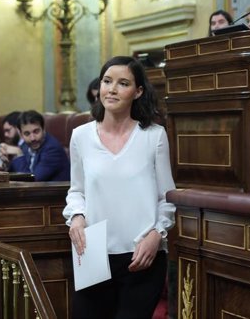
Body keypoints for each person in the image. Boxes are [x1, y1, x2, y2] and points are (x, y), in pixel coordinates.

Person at [63, 56, 176, 318]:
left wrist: (157, 235)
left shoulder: (154, 135)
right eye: (107, 81)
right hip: (91, 251)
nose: (112, 89)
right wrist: (77, 217)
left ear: (138, 92)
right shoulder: (81, 136)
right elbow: (76, 190)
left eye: (122, 83)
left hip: (142, 253)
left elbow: (167, 197)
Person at [9, 110, 70, 181]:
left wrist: (19, 155)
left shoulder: (52, 149)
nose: (32, 138)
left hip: (53, 191)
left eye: (36, 131)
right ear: (21, 134)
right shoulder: (25, 145)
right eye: (27, 133)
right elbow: (15, 172)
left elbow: (33, 181)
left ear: (44, 129)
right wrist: (7, 161)